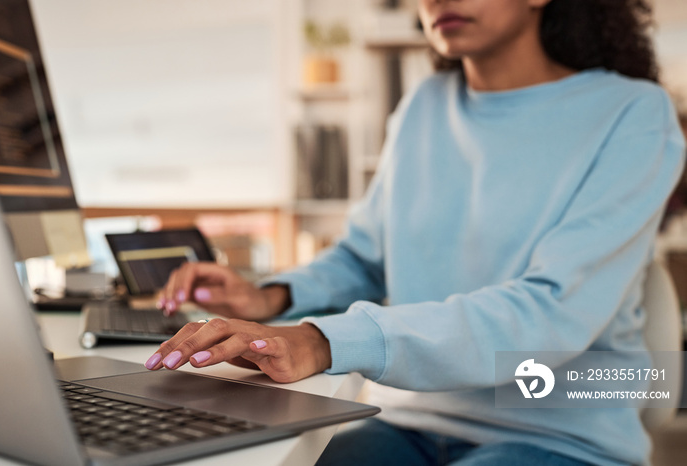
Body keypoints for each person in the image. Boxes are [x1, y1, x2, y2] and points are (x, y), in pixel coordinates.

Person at [145, 0, 686, 464]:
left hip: (561, 432)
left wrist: (321, 340)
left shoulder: (634, 114)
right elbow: (363, 258)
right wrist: (269, 296)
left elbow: (551, 313)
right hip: (412, 418)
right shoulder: (423, 107)